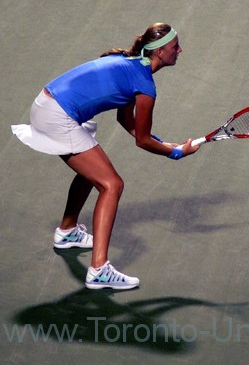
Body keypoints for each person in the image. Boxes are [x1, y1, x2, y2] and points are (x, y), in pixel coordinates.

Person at [11, 22, 200, 290]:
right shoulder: (145, 85)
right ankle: (99, 270)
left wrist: (164, 143)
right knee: (112, 184)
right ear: (159, 53)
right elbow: (142, 141)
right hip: (57, 115)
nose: (180, 50)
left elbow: (127, 119)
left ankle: (67, 232)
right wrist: (176, 152)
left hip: (47, 104)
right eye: (174, 47)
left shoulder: (129, 62)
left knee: (93, 171)